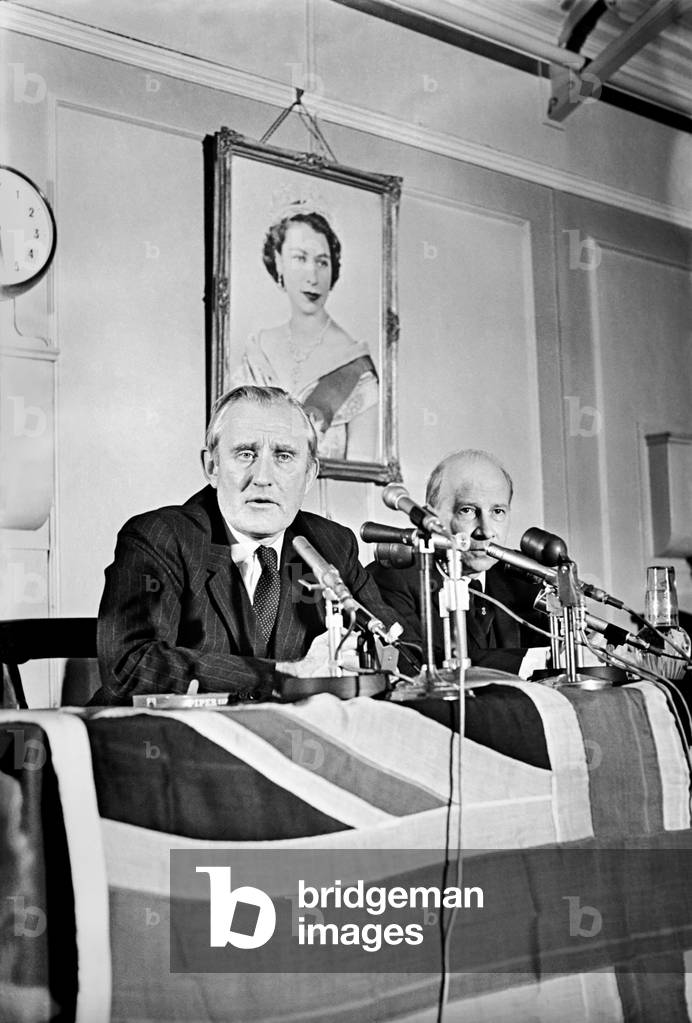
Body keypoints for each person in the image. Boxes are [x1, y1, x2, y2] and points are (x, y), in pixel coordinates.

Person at [93, 385, 397, 705]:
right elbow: (130, 666)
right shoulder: (159, 537)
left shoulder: (331, 543)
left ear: (309, 475)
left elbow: (398, 651)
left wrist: (368, 662)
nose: (263, 476)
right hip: (160, 742)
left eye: (283, 456)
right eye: (246, 454)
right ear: (212, 467)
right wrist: (281, 675)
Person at [368, 450, 549, 677]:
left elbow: (556, 654)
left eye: (498, 512)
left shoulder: (522, 575)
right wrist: (533, 661)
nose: (486, 530)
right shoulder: (390, 579)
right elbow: (413, 663)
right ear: (430, 519)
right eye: (467, 511)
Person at [233, 199, 379, 461]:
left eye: (322, 262)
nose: (313, 276)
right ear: (279, 262)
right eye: (299, 258)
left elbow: (364, 471)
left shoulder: (354, 362)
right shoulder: (258, 348)